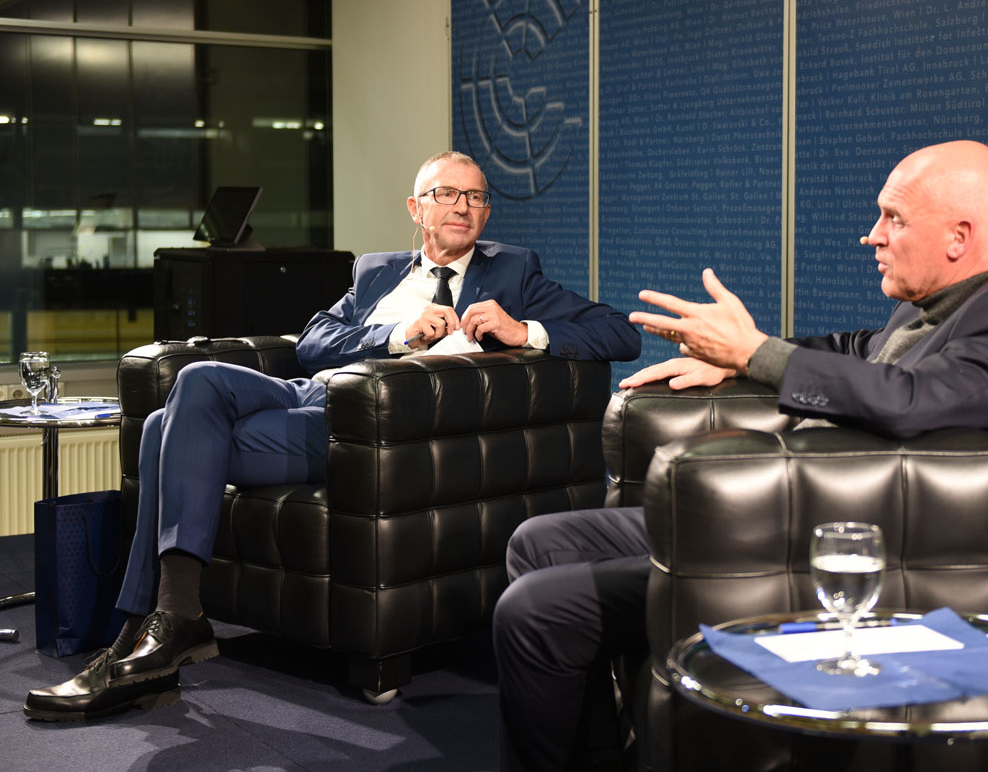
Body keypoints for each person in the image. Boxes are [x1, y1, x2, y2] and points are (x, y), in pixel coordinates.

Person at [491, 139, 988, 771]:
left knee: (532, 612)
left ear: (958, 237)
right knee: (537, 542)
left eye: (893, 218)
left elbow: (913, 399)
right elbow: (855, 349)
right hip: (791, 520)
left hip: (861, 560)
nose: (871, 235)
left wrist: (754, 352)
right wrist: (731, 363)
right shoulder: (931, 308)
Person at [25, 150, 641, 722]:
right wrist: (400, 335)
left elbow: (618, 333)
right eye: (448, 193)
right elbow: (314, 342)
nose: (464, 207)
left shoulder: (514, 271)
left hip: (367, 430)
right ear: (416, 207)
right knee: (199, 381)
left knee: (164, 430)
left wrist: (521, 329)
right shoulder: (377, 273)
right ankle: (169, 623)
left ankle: (142, 629)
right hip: (307, 395)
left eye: (478, 198)